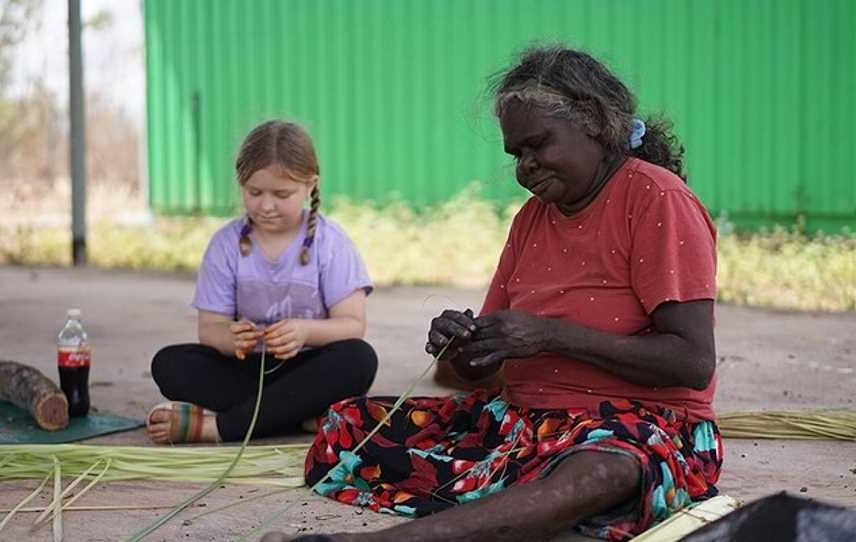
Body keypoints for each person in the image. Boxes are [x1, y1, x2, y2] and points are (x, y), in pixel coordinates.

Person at [267, 46, 721, 542]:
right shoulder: (532, 220)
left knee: (602, 470)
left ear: (592, 120)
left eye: (538, 145)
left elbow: (693, 362)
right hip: (528, 427)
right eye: (516, 155)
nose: (526, 166)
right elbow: (470, 375)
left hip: (640, 429)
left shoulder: (657, 198)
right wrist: (463, 349)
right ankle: (538, 511)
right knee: (349, 428)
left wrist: (551, 335)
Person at [147, 120, 378, 444]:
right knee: (169, 364)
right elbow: (210, 329)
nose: (266, 205)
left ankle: (216, 428)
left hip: (308, 369)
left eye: (282, 194)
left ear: (310, 185)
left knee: (358, 359)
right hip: (248, 371)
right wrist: (231, 339)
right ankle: (301, 414)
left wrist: (305, 331)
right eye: (254, 192)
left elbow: (353, 325)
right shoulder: (226, 244)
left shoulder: (331, 243)